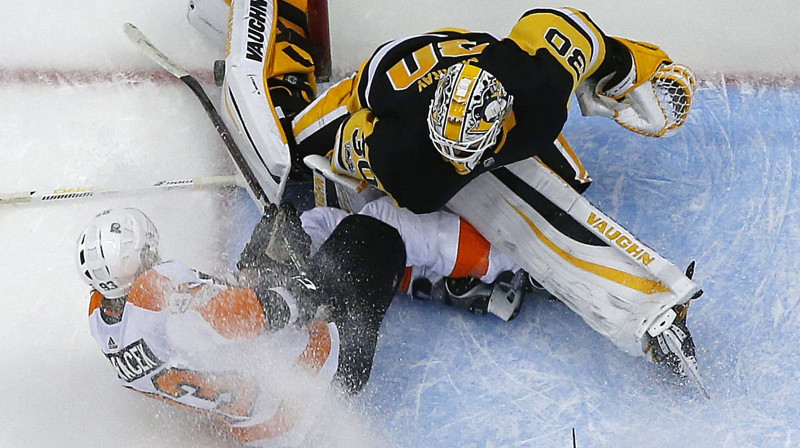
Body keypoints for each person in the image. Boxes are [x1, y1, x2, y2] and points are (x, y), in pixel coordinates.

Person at [78, 202, 535, 445]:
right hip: (329, 361)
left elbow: (201, 343)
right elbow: (248, 318)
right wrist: (300, 290)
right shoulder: (159, 288)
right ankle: (519, 261)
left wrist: (252, 278)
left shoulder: (105, 327)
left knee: (314, 225)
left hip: (272, 428)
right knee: (378, 227)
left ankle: (430, 283)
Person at [290, 7, 696, 213]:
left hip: (472, 51)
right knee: (296, 151)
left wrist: (629, 69)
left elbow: (570, 30)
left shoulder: (539, 95)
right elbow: (346, 149)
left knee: (573, 187)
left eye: (468, 153)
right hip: (383, 74)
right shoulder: (401, 160)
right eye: (452, 152)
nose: (461, 166)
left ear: (503, 117)